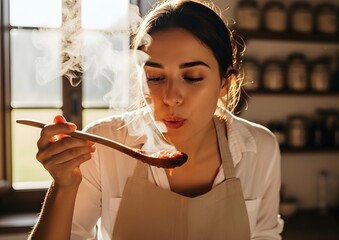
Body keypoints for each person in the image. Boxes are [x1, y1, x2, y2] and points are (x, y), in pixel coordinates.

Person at [29, 0, 283, 239]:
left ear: (225, 83)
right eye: (155, 77)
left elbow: (264, 235)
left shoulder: (259, 148)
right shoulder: (104, 145)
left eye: (192, 77)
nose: (171, 98)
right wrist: (63, 186)